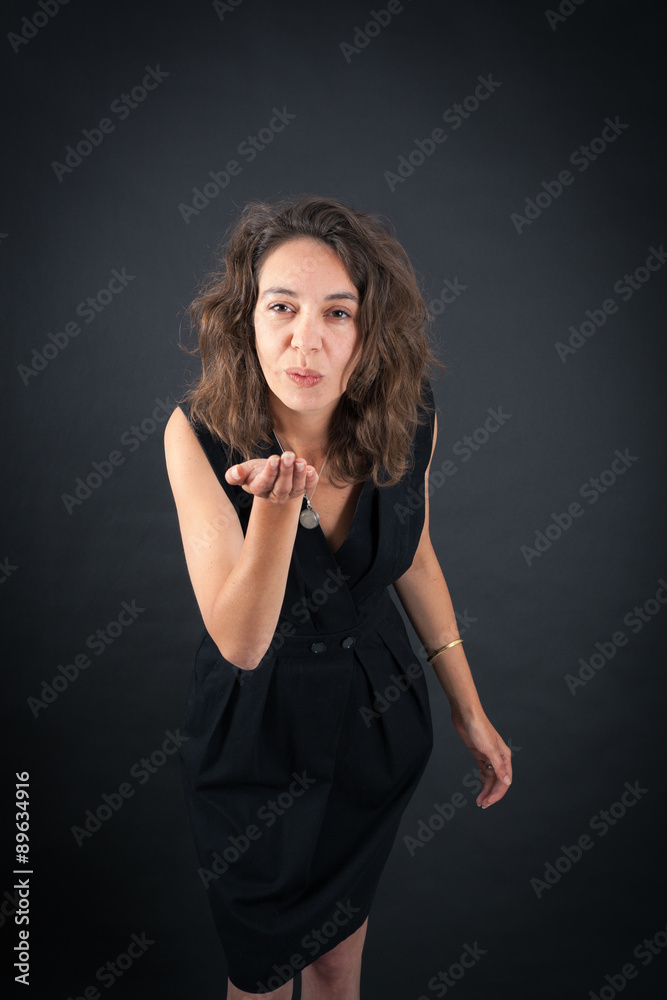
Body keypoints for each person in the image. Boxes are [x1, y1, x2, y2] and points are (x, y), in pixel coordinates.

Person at [163, 194, 512, 999]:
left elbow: (412, 555)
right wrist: (277, 510)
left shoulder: (408, 416)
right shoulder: (197, 434)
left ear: (368, 329)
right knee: (259, 978)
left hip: (374, 719)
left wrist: (467, 708)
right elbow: (241, 643)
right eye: (281, 307)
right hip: (254, 737)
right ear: (245, 318)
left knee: (335, 962)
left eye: (338, 312)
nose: (305, 340)